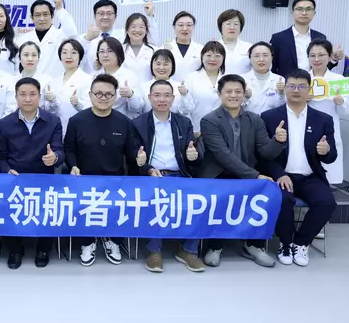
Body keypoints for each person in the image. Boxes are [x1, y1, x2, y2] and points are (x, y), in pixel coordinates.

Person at [197, 74, 286, 268]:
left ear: (244, 94)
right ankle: (215, 246)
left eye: (238, 91)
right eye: (228, 91)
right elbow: (223, 155)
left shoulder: (255, 119)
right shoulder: (209, 120)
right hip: (218, 173)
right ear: (219, 94)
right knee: (223, 195)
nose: (233, 95)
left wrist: (278, 141)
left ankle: (254, 245)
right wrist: (255, 175)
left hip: (246, 173)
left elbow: (265, 152)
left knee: (267, 192)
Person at [259, 69, 337, 267]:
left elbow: (331, 157)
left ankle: (301, 243)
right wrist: (279, 174)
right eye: (291, 86)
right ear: (284, 88)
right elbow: (261, 155)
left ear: (309, 89)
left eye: (301, 86)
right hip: (281, 175)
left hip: (310, 176)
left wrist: (326, 151)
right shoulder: (268, 117)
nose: (296, 90)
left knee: (326, 202)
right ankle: (285, 243)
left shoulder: (323, 119)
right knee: (282, 199)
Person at [130, 80, 204, 273]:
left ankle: (188, 250)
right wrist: (145, 166)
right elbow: (133, 155)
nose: (162, 99)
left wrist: (193, 156)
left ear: (173, 98)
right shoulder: (138, 124)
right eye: (157, 95)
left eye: (166, 95)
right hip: (153, 176)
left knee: (197, 202)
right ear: (149, 98)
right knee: (155, 200)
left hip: (180, 175)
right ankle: (154, 250)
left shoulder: (183, 122)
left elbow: (193, 154)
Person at [64, 74, 135, 267]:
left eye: (108, 94)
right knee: (84, 205)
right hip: (84, 179)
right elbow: (68, 149)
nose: (103, 98)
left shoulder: (124, 122)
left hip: (115, 180)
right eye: (99, 94)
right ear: (90, 95)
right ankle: (87, 242)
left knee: (120, 205)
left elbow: (131, 152)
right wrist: (73, 166)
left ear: (115, 96)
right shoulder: (76, 120)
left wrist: (139, 158)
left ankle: (113, 240)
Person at [0, 77, 65, 269]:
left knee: (49, 210)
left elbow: (60, 151)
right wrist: (6, 170)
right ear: (16, 97)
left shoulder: (53, 121)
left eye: (32, 94)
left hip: (43, 177)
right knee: (10, 210)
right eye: (23, 94)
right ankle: (15, 250)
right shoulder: (4, 123)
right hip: (14, 178)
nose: (28, 99)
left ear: (39, 96)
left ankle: (43, 250)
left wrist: (55, 158)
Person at [307, 38, 349, 185]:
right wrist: (302, 99)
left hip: (328, 133)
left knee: (328, 180)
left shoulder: (338, 80)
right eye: (312, 55)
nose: (316, 59)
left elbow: (348, 110)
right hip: (305, 131)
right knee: (304, 177)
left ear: (329, 57)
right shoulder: (302, 79)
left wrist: (341, 102)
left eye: (321, 55)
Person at [270, 0, 344, 78]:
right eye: (299, 9)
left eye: (308, 9)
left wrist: (333, 59)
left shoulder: (320, 37)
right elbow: (273, 67)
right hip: (288, 84)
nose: (304, 13)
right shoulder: (278, 38)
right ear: (292, 13)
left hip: (314, 83)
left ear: (314, 13)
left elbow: (323, 68)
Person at [13, 0, 78, 77]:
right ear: (32, 18)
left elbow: (72, 32)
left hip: (54, 82)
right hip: (29, 83)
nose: (42, 18)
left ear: (52, 16)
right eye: (37, 15)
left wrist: (59, 9)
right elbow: (17, 66)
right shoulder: (23, 39)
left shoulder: (61, 35)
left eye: (45, 14)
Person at [178, 40, 226, 136]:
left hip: (222, 131)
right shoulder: (191, 78)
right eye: (209, 55)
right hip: (196, 131)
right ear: (202, 57)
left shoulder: (228, 79)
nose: (212, 59)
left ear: (223, 58)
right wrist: (184, 95)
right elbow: (184, 110)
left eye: (217, 56)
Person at [48, 39, 92, 138]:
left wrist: (78, 104)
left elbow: (91, 108)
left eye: (73, 53)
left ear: (80, 56)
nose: (68, 56)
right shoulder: (54, 82)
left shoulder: (87, 80)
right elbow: (50, 111)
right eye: (64, 52)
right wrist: (52, 102)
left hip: (79, 131)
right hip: (56, 132)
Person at [94, 36, 144, 119]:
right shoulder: (94, 76)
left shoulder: (129, 76)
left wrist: (130, 95)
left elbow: (138, 107)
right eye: (102, 52)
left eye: (110, 51)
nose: (105, 55)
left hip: (120, 122)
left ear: (118, 53)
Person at [241, 41, 286, 115]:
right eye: (256, 56)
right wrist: (245, 98)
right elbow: (235, 106)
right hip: (247, 120)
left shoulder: (280, 80)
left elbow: (282, 107)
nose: (261, 59)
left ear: (272, 57)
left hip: (272, 120)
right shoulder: (242, 79)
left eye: (265, 55)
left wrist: (281, 94)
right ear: (250, 58)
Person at [140, 49, 187, 114]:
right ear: (152, 66)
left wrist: (185, 95)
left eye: (165, 64)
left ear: (172, 66)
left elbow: (186, 111)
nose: (161, 68)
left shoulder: (180, 87)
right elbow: (137, 108)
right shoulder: (142, 87)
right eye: (158, 64)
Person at [17, 41, 58, 113]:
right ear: (19, 58)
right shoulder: (13, 81)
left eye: (34, 55)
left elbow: (52, 111)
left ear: (38, 58)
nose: (30, 59)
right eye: (26, 55)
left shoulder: (47, 81)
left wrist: (52, 100)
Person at [163, 11, 203, 82]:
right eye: (181, 25)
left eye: (189, 25)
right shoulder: (164, 49)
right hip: (170, 87)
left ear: (193, 27)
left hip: (193, 88)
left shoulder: (201, 49)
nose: (185, 29)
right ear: (174, 27)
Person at [122, 12, 157, 83]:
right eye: (133, 27)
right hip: (124, 88)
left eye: (141, 27)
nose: (137, 30)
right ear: (127, 30)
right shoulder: (119, 50)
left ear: (146, 31)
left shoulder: (154, 51)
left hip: (147, 89)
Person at [218, 9, 252, 75]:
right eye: (228, 24)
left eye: (236, 24)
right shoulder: (212, 47)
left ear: (241, 27)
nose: (232, 27)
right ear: (220, 26)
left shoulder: (249, 47)